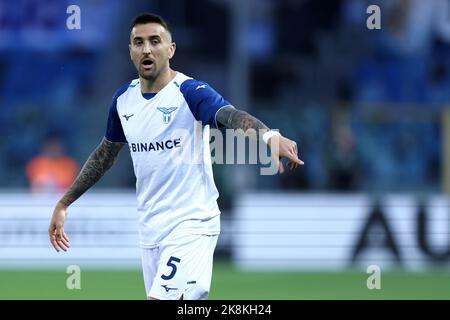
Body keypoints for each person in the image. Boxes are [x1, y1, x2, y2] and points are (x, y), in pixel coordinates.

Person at [48, 13, 303, 300]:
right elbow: (104, 155)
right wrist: (64, 202)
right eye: (138, 42)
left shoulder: (190, 92)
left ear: (171, 50)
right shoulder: (123, 100)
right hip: (150, 229)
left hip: (191, 225)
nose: (146, 49)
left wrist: (269, 135)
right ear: (130, 51)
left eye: (155, 41)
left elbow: (231, 116)